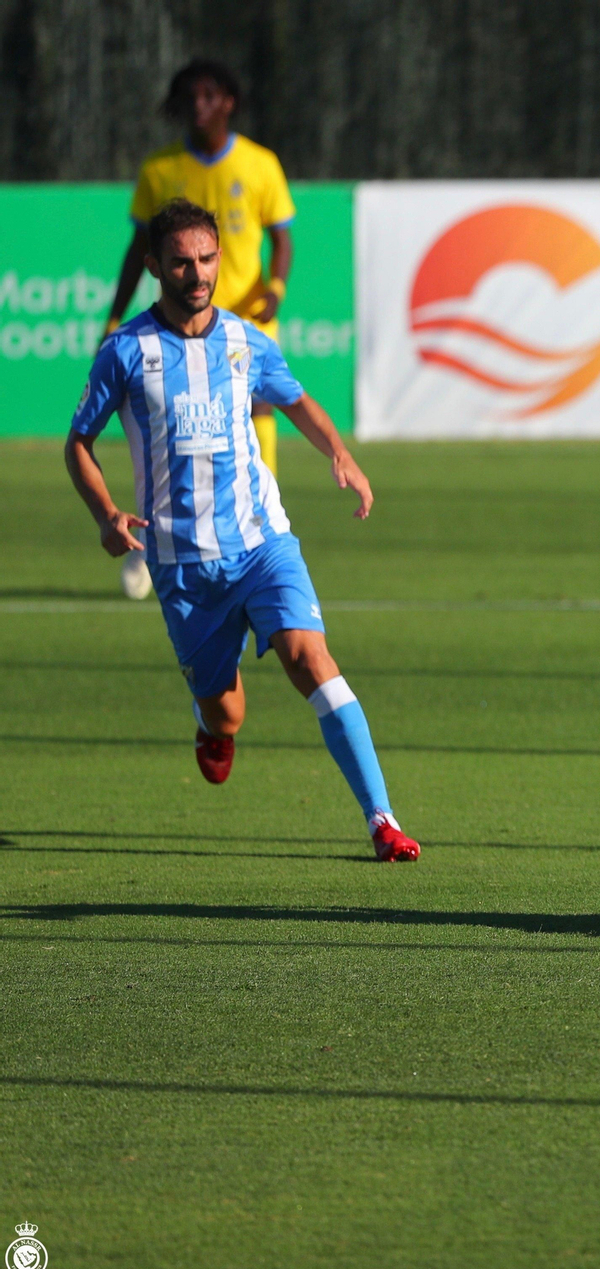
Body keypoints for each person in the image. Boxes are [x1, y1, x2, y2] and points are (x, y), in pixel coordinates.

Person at [68, 199, 420, 863]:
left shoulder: (246, 341)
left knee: (310, 659)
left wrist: (340, 454)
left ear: (219, 260)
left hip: (262, 544)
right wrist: (107, 515)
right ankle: (212, 727)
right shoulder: (125, 352)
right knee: (227, 710)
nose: (196, 273)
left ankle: (382, 821)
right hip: (183, 565)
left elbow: (296, 400)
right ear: (153, 267)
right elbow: (78, 443)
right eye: (180, 261)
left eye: (205, 259)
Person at [104, 59, 295, 600]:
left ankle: (259, 522)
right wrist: (115, 317)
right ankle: (152, 540)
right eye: (189, 96)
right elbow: (134, 250)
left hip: (245, 323)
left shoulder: (259, 164)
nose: (199, 104)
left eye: (210, 95)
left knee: (260, 411)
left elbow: (282, 240)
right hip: (178, 328)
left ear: (229, 101)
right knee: (169, 432)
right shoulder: (160, 170)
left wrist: (274, 291)